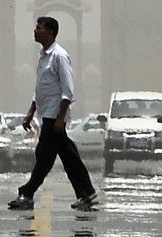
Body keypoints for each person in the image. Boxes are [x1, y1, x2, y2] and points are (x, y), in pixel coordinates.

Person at [8, 16, 99, 210]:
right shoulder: (43, 56)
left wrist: (60, 118)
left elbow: (68, 90)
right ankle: (86, 192)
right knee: (67, 155)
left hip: (54, 115)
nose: (34, 30)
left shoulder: (59, 56)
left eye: (38, 27)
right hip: (46, 113)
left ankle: (27, 193)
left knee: (45, 155)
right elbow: (41, 88)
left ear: (50, 32)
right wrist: (31, 111)